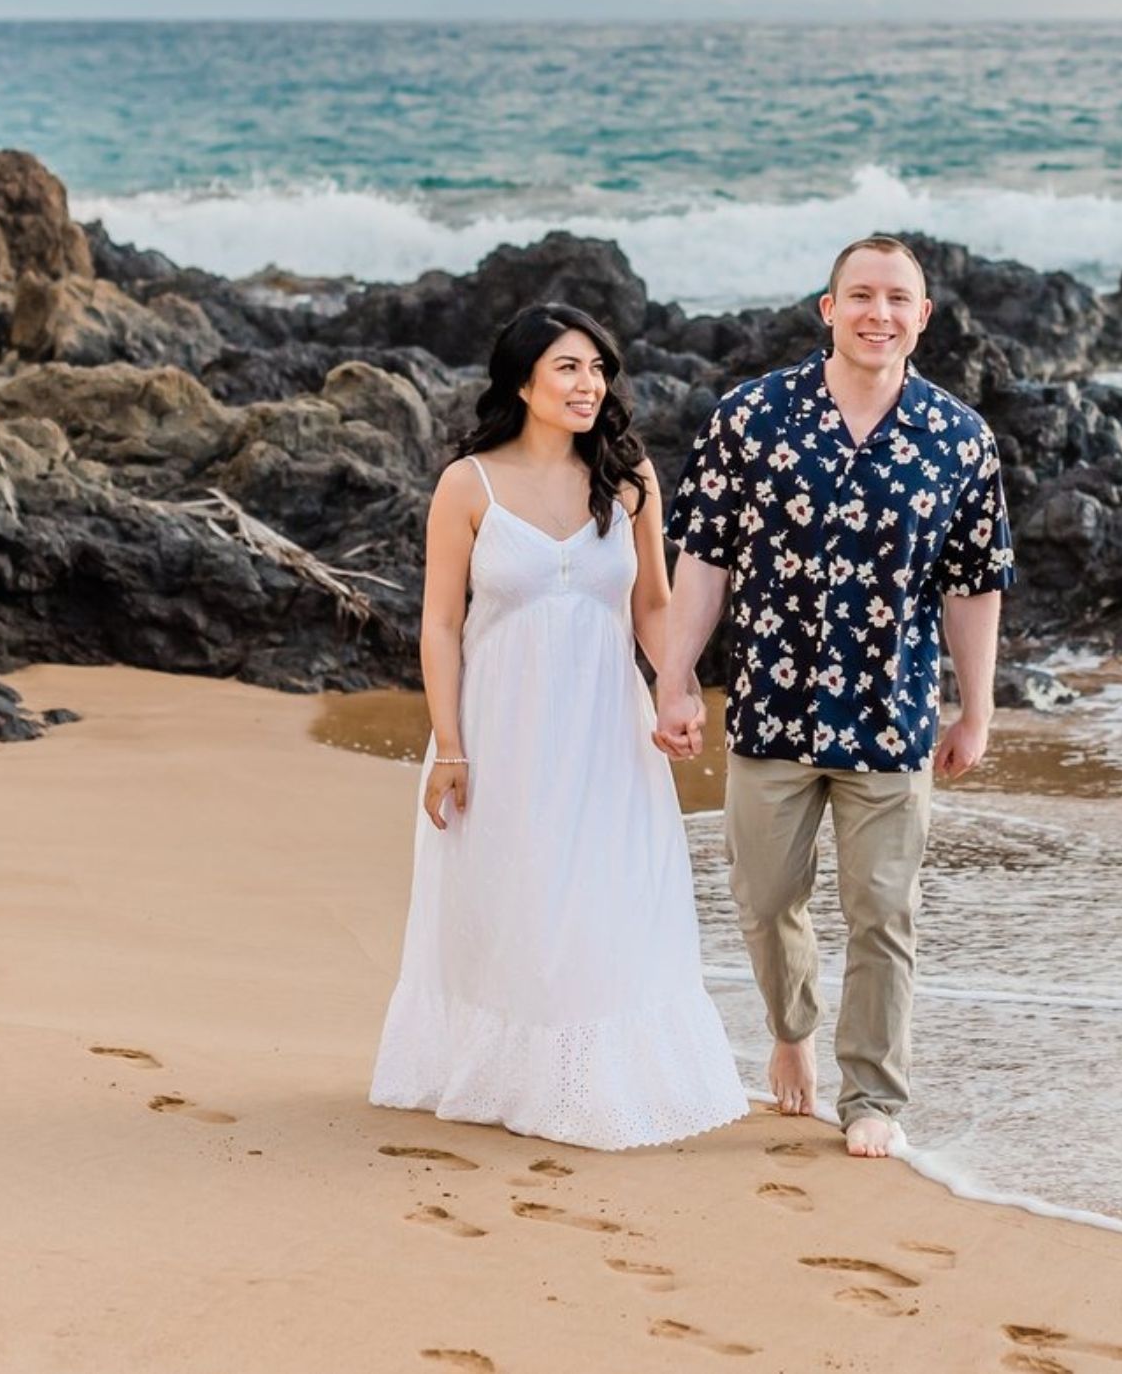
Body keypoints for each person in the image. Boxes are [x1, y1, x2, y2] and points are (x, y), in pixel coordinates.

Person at [650, 236, 1012, 1158]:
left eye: (896, 299)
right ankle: (791, 1028)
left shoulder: (959, 438)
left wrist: (976, 709)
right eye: (860, 295)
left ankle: (872, 1097)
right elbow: (705, 558)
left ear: (922, 317)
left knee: (883, 911)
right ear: (829, 308)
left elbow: (974, 584)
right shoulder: (751, 416)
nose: (877, 313)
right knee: (764, 897)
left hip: (893, 716)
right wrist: (675, 677)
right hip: (772, 705)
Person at [369, 303, 748, 1150]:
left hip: (608, 725)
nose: (590, 385)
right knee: (515, 900)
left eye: (599, 369)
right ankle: (511, 1078)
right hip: (500, 727)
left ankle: (594, 1083)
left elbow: (653, 605)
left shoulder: (629, 477)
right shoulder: (469, 484)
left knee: (607, 898)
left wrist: (678, 689)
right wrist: (449, 747)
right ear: (522, 381)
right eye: (569, 368)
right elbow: (440, 624)